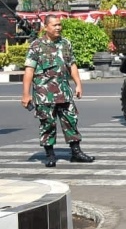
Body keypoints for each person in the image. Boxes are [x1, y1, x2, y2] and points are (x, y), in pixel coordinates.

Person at [21, 14, 95, 168]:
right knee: (47, 124)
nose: (58, 28)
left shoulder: (65, 43)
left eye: (59, 25)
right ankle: (50, 155)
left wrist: (78, 85)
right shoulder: (37, 45)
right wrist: (26, 94)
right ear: (45, 27)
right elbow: (29, 70)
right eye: (55, 25)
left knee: (71, 121)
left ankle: (76, 152)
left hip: (64, 92)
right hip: (44, 93)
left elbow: (71, 64)